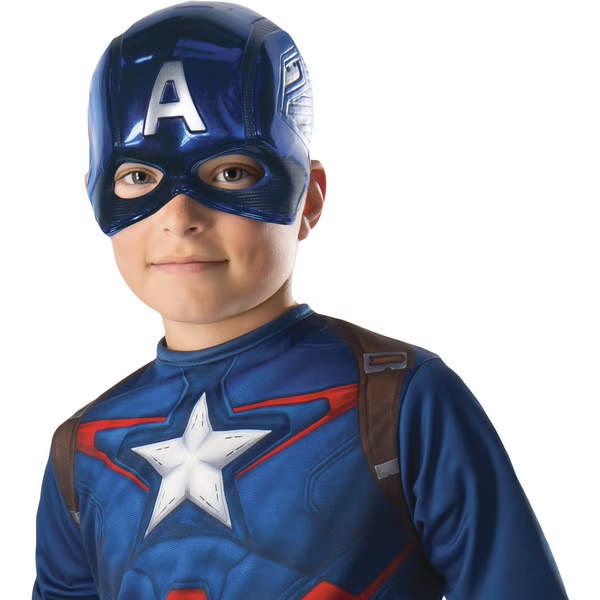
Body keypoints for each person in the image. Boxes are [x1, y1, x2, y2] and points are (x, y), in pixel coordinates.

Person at [33, 2, 568, 598]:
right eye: (139, 178)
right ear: (96, 196)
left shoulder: (399, 401)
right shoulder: (84, 448)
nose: (179, 218)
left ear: (307, 197)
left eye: (230, 173)